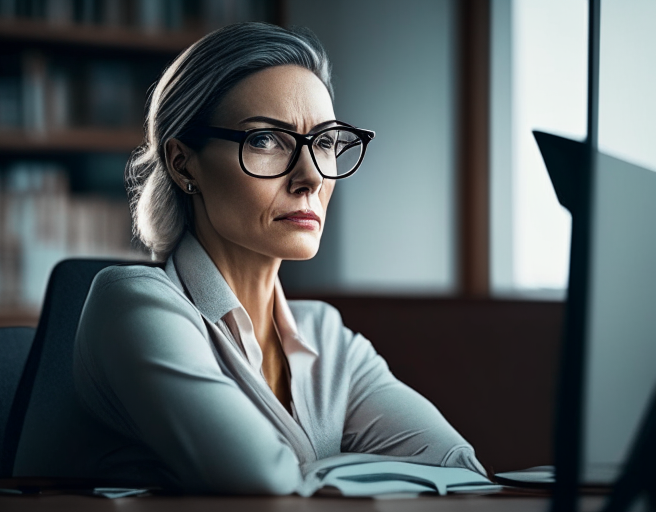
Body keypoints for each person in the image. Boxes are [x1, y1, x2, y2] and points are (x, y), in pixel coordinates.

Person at [72, 21, 485, 495]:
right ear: (184, 163)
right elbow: (258, 479)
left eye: (326, 142)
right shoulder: (133, 304)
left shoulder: (326, 338)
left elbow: (459, 469)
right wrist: (365, 474)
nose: (311, 177)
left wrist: (316, 474)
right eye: (267, 140)